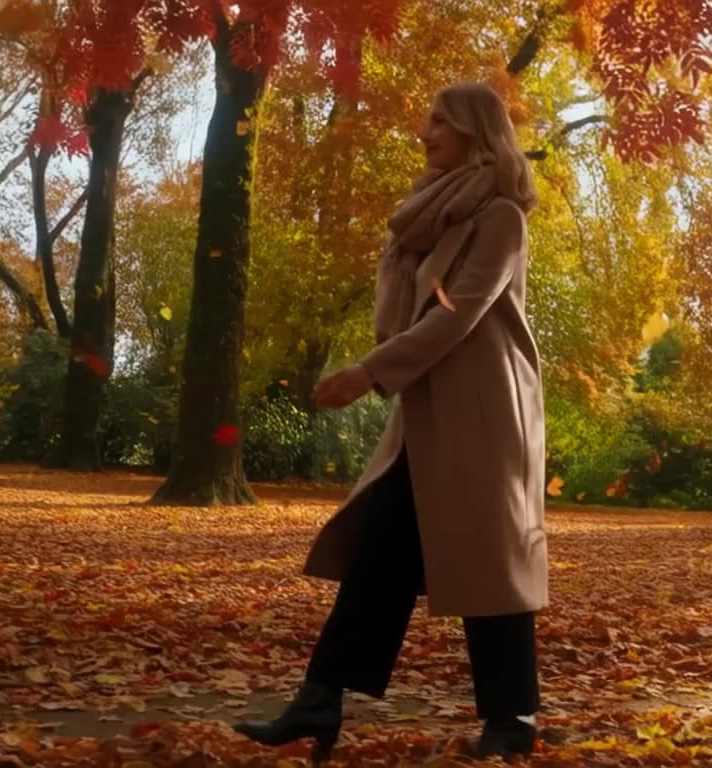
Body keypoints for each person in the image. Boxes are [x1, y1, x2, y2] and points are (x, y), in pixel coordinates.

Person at [233, 82, 548, 764]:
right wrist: (402, 254)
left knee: (490, 563)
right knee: (383, 550)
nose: (423, 132)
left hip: (487, 410)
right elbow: (404, 314)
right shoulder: (426, 216)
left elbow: (459, 313)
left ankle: (512, 718)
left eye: (439, 122)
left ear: (474, 131)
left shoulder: (501, 217)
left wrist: (367, 372)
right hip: (427, 407)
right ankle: (320, 699)